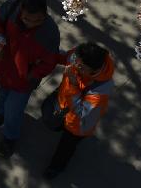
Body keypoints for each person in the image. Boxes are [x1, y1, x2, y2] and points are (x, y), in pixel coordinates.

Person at [0, 0, 60, 156]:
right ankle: (0, 113)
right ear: (21, 10)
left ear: (45, 14)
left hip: (23, 81)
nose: (31, 24)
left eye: (38, 20)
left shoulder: (50, 32)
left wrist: (32, 74)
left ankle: (10, 137)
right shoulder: (11, 6)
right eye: (27, 19)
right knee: (3, 95)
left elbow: (50, 61)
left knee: (14, 110)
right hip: (3, 69)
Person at [43, 42, 115, 179]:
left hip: (78, 125)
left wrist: (73, 85)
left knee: (66, 147)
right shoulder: (79, 56)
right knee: (48, 115)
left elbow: (82, 113)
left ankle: (56, 167)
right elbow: (65, 57)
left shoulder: (100, 90)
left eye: (81, 67)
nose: (75, 65)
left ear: (94, 70)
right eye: (76, 61)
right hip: (64, 103)